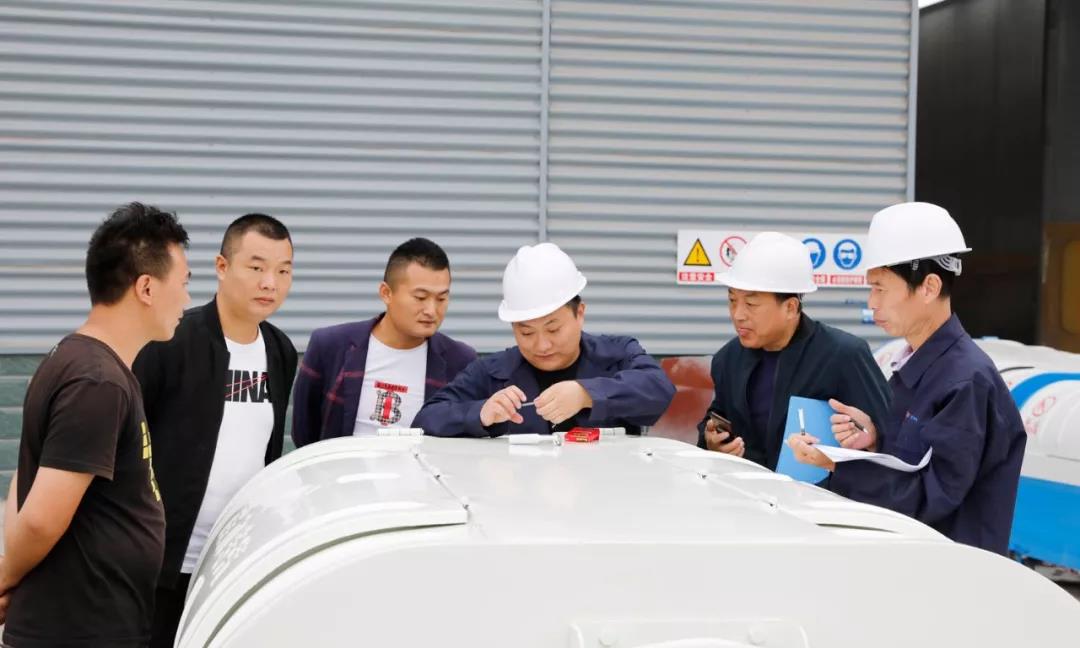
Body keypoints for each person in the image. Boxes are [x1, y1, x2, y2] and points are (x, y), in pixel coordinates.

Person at [0, 202, 190, 646]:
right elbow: (40, 519)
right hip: (76, 631)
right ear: (146, 287)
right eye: (183, 283)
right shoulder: (96, 381)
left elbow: (22, 484)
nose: (186, 299)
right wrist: (5, 577)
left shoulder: (82, 363)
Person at [788, 202, 1026, 554]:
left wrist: (837, 465)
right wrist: (875, 441)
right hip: (911, 562)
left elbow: (931, 496)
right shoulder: (917, 367)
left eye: (881, 288)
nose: (872, 302)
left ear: (929, 287)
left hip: (952, 571)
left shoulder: (965, 381)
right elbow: (909, 463)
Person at [133, 213, 298, 647]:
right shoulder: (172, 341)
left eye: (283, 271)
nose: (270, 283)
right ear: (222, 267)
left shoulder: (280, 350)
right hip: (161, 562)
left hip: (231, 560)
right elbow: (128, 441)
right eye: (256, 267)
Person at [415, 242, 674, 437]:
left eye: (553, 329)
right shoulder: (492, 372)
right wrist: (480, 413)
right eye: (526, 332)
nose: (542, 346)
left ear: (580, 314)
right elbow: (427, 419)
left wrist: (586, 394)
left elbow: (659, 390)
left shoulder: (617, 354)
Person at [696, 232, 891, 471]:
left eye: (751, 304)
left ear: (790, 307)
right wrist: (711, 441)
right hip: (745, 491)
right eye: (732, 300)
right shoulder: (728, 359)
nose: (738, 315)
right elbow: (718, 416)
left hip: (818, 494)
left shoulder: (843, 356)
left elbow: (888, 438)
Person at [291, 238, 476, 445]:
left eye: (441, 298)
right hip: (342, 465)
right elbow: (305, 435)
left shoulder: (460, 361)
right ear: (386, 293)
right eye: (420, 297)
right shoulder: (330, 346)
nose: (431, 310)